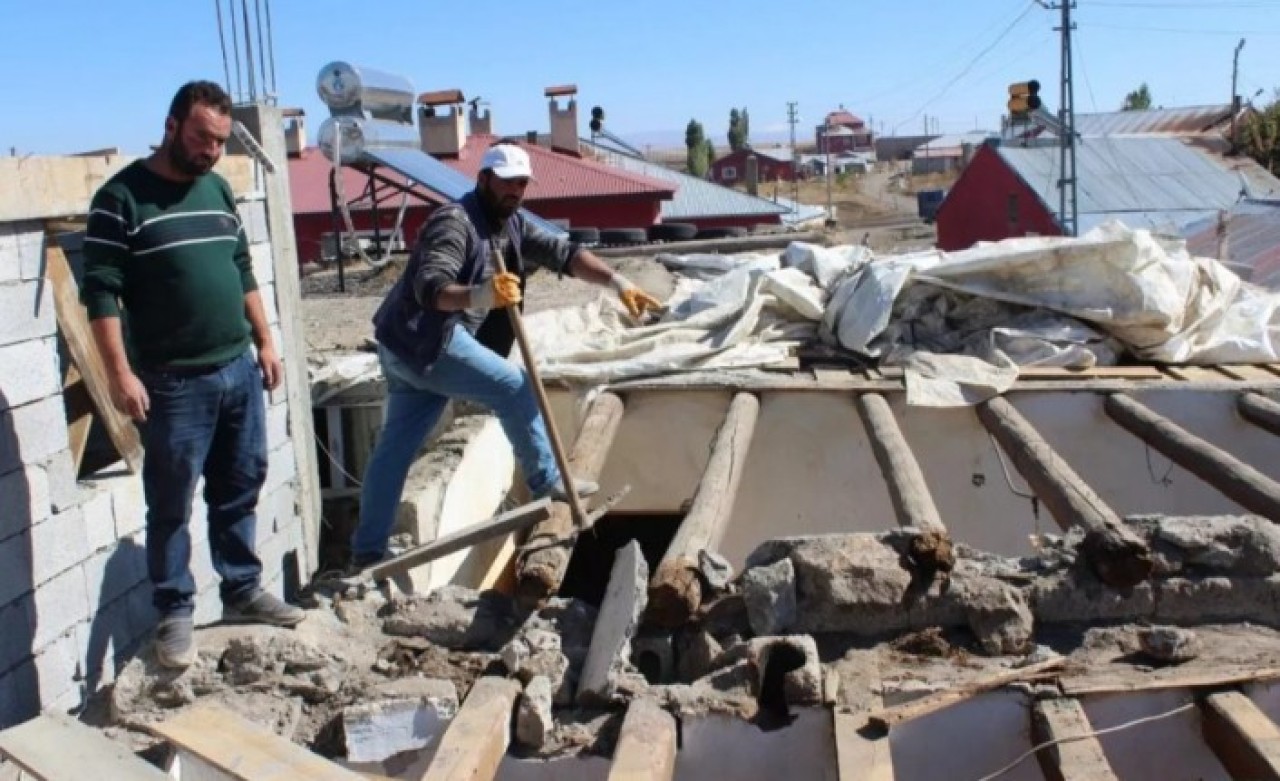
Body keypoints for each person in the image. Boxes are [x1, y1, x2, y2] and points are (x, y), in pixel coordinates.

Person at [350, 143, 662, 569]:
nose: (516, 191)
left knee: (395, 451)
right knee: (514, 387)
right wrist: (480, 295)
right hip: (429, 341)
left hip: (404, 348)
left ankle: (366, 553)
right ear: (483, 179)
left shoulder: (511, 223)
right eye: (507, 182)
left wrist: (617, 281)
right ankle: (547, 481)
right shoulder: (454, 223)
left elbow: (563, 253)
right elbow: (430, 286)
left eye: (521, 183)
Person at [82, 81, 304, 669]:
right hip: (173, 382)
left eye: (220, 141)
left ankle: (242, 588)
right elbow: (101, 294)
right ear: (173, 124)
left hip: (237, 368)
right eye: (203, 137)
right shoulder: (121, 199)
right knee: (172, 500)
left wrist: (265, 340)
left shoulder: (217, 189)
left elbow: (241, 267)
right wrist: (119, 376)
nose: (211, 150)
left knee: (241, 483)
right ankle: (175, 611)